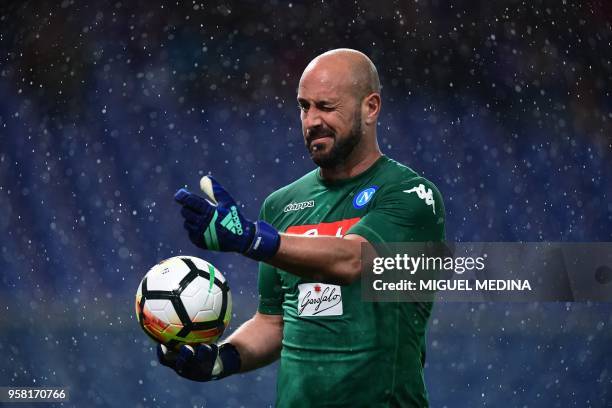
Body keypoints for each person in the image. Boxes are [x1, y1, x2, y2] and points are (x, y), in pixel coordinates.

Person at [159, 48, 445, 407]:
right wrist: (221, 359)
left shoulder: (412, 195)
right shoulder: (282, 205)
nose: (311, 121)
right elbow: (275, 322)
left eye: (326, 106)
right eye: (303, 106)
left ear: (370, 107)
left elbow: (353, 261)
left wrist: (252, 239)